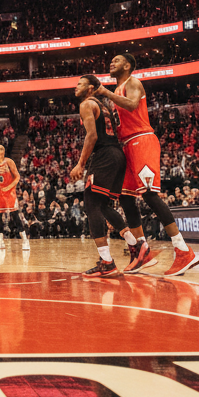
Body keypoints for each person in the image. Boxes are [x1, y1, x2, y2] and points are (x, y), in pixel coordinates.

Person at [94, 53, 198, 276]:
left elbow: (132, 105)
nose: (111, 62)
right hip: (126, 145)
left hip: (141, 140)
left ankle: (183, 250)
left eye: (117, 60)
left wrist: (105, 93)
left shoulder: (133, 82)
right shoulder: (114, 93)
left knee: (150, 195)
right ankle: (143, 251)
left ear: (128, 65)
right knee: (125, 198)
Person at [69, 75, 128, 278]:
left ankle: (107, 261)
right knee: (103, 206)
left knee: (92, 204)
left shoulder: (86, 104)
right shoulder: (105, 106)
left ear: (90, 88)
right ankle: (135, 245)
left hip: (104, 155)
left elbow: (92, 135)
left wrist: (80, 164)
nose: (76, 87)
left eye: (80, 84)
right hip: (117, 154)